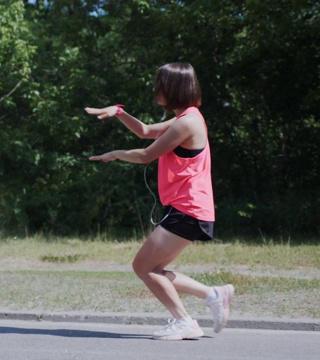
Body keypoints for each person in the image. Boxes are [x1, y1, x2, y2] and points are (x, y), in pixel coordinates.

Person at [85, 62, 234, 341]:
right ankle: (215, 294)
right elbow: (144, 131)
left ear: (173, 88)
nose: (156, 89)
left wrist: (116, 153)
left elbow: (145, 154)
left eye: (160, 84)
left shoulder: (187, 122)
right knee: (154, 269)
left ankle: (185, 322)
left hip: (188, 209)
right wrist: (119, 112)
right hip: (187, 208)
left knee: (143, 267)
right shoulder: (186, 117)